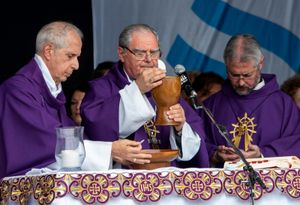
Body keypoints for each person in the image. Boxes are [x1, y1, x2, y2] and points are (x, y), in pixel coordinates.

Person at [0, 21, 148, 179]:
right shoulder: (18, 90)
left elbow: (71, 135)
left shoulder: (51, 89)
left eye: (77, 57)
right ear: (48, 51)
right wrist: (108, 151)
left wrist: (110, 149)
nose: (76, 65)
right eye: (70, 56)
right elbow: (47, 141)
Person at [81, 24, 209, 168]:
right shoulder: (101, 88)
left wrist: (180, 128)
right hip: (124, 181)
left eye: (154, 52)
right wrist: (138, 89)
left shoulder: (167, 87)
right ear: (122, 54)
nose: (149, 59)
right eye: (140, 53)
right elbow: (97, 130)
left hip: (166, 179)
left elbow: (195, 142)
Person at [199, 34, 300, 167]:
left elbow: (295, 144)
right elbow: (194, 144)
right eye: (234, 75)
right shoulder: (211, 105)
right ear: (226, 65)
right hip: (221, 185)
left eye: (247, 75)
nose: (240, 82)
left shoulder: (284, 105)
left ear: (261, 64)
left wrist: (262, 154)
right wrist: (214, 154)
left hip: (270, 185)